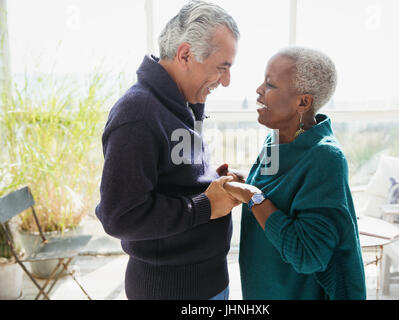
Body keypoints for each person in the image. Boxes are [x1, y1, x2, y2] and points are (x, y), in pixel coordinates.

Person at [95, 1, 241, 300]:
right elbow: (119, 216)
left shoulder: (181, 102)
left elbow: (171, 179)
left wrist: (211, 182)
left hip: (207, 281)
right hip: (171, 289)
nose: (226, 81)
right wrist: (206, 205)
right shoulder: (137, 114)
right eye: (221, 68)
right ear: (185, 54)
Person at [224, 46, 366, 299]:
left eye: (270, 84)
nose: (258, 90)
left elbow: (308, 255)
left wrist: (251, 195)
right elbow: (274, 197)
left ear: (303, 102)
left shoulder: (325, 158)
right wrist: (242, 183)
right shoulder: (274, 141)